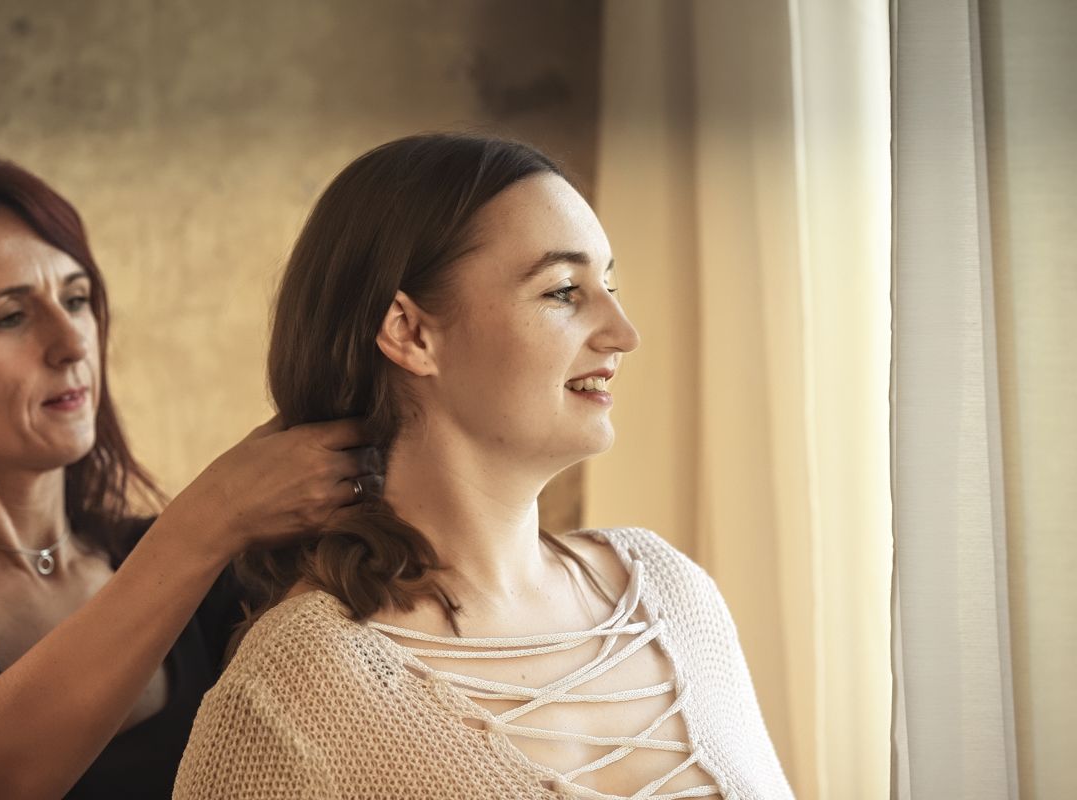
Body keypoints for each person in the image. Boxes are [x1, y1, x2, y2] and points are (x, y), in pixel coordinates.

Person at [173, 133, 794, 799]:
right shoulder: (299, 682)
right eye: (563, 290)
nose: (623, 332)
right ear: (410, 333)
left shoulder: (671, 593)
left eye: (607, 283)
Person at [0, 151, 380, 800]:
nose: (71, 343)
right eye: (10, 316)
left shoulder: (181, 564)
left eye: (77, 299)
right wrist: (213, 515)